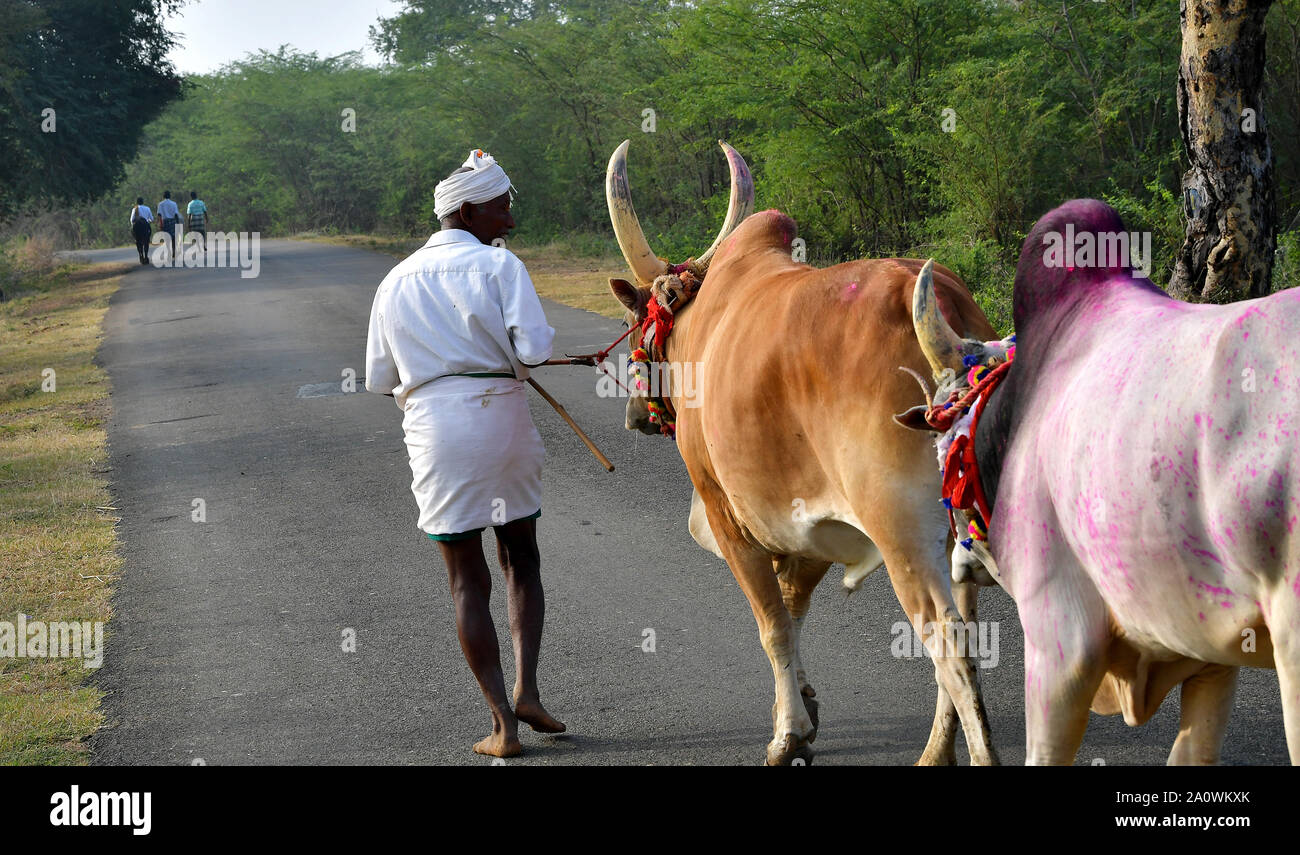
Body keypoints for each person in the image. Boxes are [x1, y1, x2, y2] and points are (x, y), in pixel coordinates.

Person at [365, 149, 565, 758]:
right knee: (521, 559)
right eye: (502, 207)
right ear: (468, 209)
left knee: (465, 583)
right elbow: (530, 352)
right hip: (501, 420)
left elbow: (378, 378)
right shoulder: (501, 268)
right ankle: (528, 688)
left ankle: (504, 723)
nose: (509, 218)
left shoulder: (394, 279)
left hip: (435, 430)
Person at [156, 190, 180, 262]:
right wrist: (178, 223)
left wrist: (160, 224)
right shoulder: (174, 204)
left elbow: (159, 215)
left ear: (163, 196)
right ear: (170, 196)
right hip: (172, 221)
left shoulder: (160, 204)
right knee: (173, 238)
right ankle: (174, 251)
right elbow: (176, 214)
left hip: (165, 221)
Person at [129, 197, 153, 265]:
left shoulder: (134, 209)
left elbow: (131, 220)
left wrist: (133, 226)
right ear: (143, 202)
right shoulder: (147, 208)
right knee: (146, 240)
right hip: (145, 225)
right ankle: (146, 256)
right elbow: (151, 219)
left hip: (136, 226)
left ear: (137, 202)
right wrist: (148, 221)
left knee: (138, 241)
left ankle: (141, 255)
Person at [185, 190, 207, 257]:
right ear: (196, 195)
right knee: (202, 232)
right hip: (200, 218)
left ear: (191, 196)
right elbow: (205, 211)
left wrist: (188, 223)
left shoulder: (190, 204)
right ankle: (203, 245)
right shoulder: (201, 202)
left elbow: (189, 214)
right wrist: (207, 218)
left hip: (194, 219)